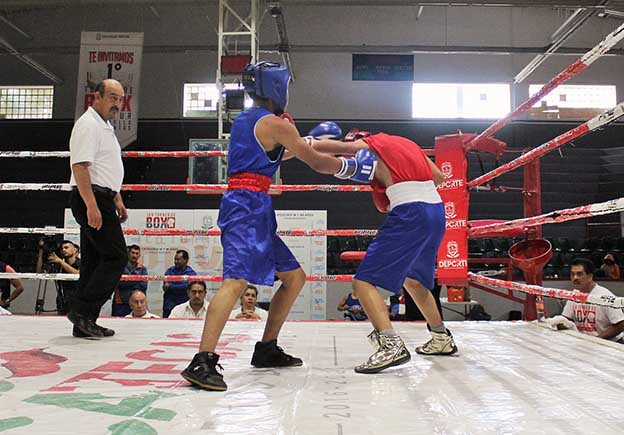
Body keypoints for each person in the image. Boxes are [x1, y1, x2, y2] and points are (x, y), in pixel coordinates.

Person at [181, 61, 351, 391]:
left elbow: (279, 153)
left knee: (294, 277)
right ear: (277, 88)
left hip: (253, 205)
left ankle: (267, 348)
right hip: (246, 207)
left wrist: (308, 139)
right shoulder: (274, 123)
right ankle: (202, 360)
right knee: (235, 282)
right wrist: (352, 167)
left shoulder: (249, 119)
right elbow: (316, 162)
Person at [309, 128, 457, 373]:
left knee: (363, 282)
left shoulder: (373, 143)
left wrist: (305, 143)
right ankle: (441, 338)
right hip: (436, 211)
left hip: (410, 211)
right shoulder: (407, 142)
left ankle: (390, 346)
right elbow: (439, 177)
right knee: (414, 280)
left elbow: (342, 149)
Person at [67, 78, 129, 338]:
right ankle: (81, 311)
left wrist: (117, 197)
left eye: (120, 99)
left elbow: (104, 167)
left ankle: (84, 322)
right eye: (113, 97)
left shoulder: (104, 126)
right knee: (117, 257)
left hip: (102, 197)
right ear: (97, 96)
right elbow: (80, 166)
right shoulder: (88, 125)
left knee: (93, 262)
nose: (117, 104)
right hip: (91, 198)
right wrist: (91, 205)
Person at [546, 258, 624, 343]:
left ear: (590, 276)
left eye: (579, 274)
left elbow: (621, 324)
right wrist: (551, 323)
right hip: (586, 342)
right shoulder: (575, 294)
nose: (575, 278)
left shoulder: (605, 296)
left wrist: (596, 340)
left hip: (610, 344)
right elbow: (566, 319)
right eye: (572, 274)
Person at [36, 239, 81, 314]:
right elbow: (39, 272)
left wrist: (60, 261)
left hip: (78, 302)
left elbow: (77, 273)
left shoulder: (81, 263)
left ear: (75, 250)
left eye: (66, 248)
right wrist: (41, 252)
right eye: (62, 248)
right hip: (62, 302)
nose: (63, 250)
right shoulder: (59, 265)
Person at [113, 244, 148, 316]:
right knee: (119, 323)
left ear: (139, 255)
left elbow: (143, 286)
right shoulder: (120, 267)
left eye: (137, 253)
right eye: (133, 253)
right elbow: (119, 284)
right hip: (121, 303)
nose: (134, 255)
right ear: (128, 253)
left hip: (137, 304)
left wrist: (128, 281)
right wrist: (136, 280)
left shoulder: (142, 269)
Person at [162, 250, 197, 318]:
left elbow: (187, 287)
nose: (176, 261)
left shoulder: (191, 273)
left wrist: (171, 286)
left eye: (178, 259)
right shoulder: (169, 271)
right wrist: (179, 286)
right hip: (169, 305)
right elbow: (165, 287)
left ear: (186, 260)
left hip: (184, 307)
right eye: (175, 259)